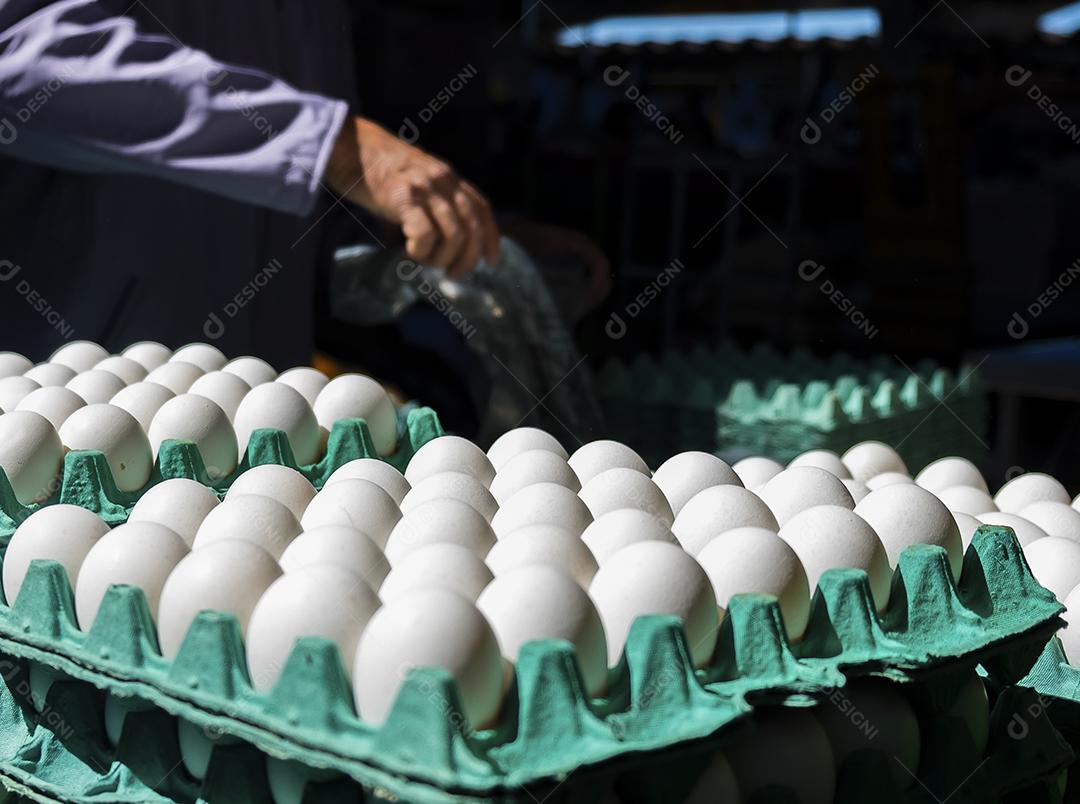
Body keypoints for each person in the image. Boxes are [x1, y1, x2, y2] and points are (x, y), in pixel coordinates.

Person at [0, 0, 499, 367]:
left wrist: (409, 227)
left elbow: (298, 182)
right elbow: (18, 51)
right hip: (77, 382)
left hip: (260, 390)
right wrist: (331, 144)